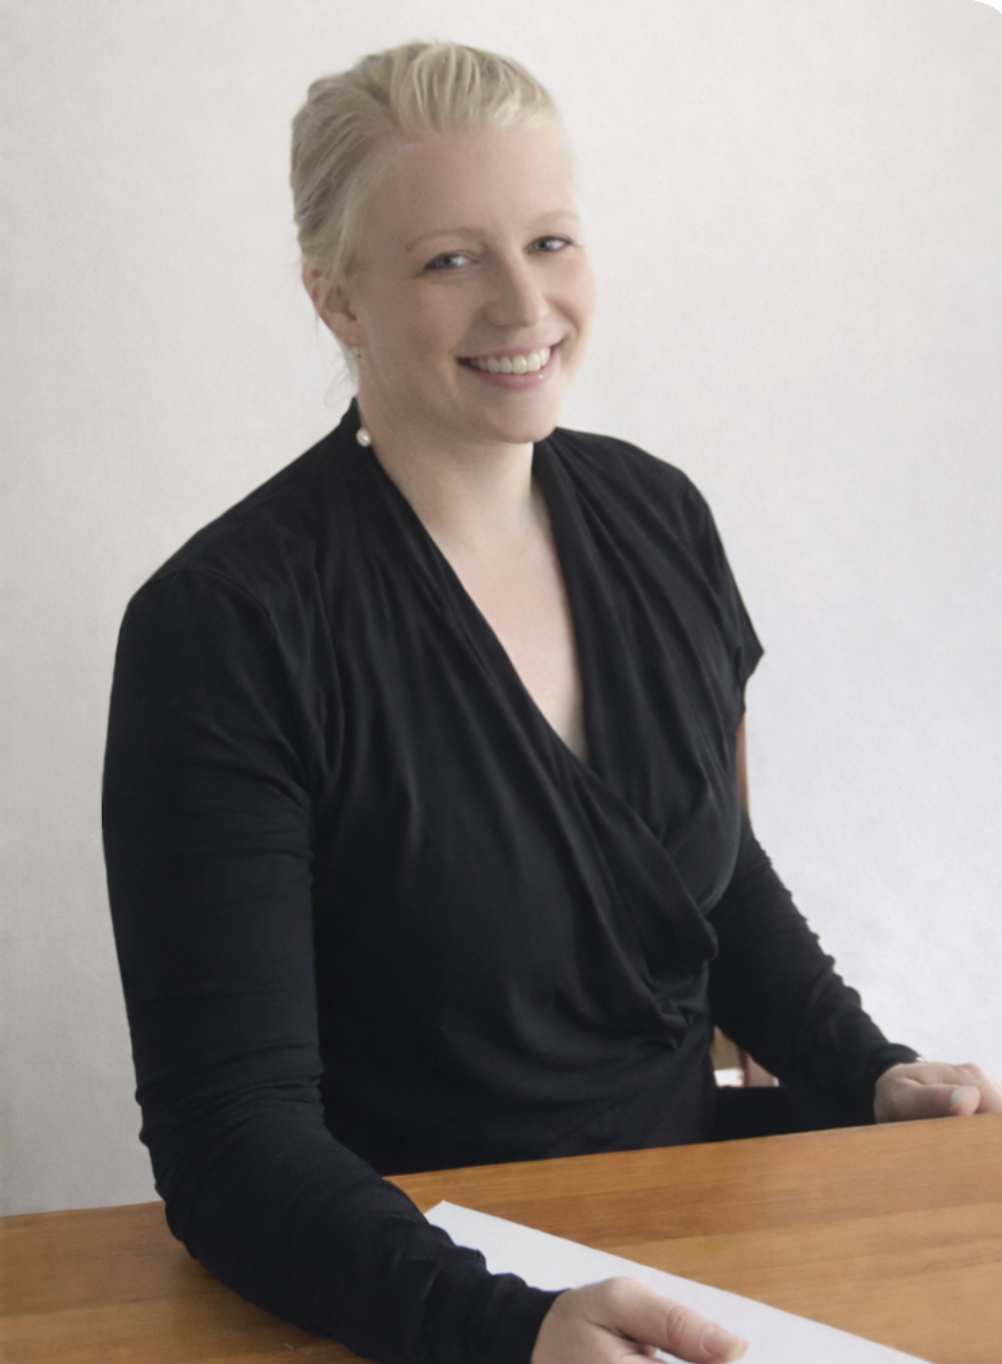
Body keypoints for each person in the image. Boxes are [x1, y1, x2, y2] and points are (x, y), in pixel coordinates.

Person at [103, 40, 1002, 1364]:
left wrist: (860, 1072)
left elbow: (707, 871)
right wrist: (508, 1331)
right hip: (414, 1273)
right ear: (337, 298)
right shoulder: (224, 627)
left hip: (687, 1214)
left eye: (550, 241)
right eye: (448, 260)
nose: (523, 304)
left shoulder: (659, 516)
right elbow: (230, 1137)